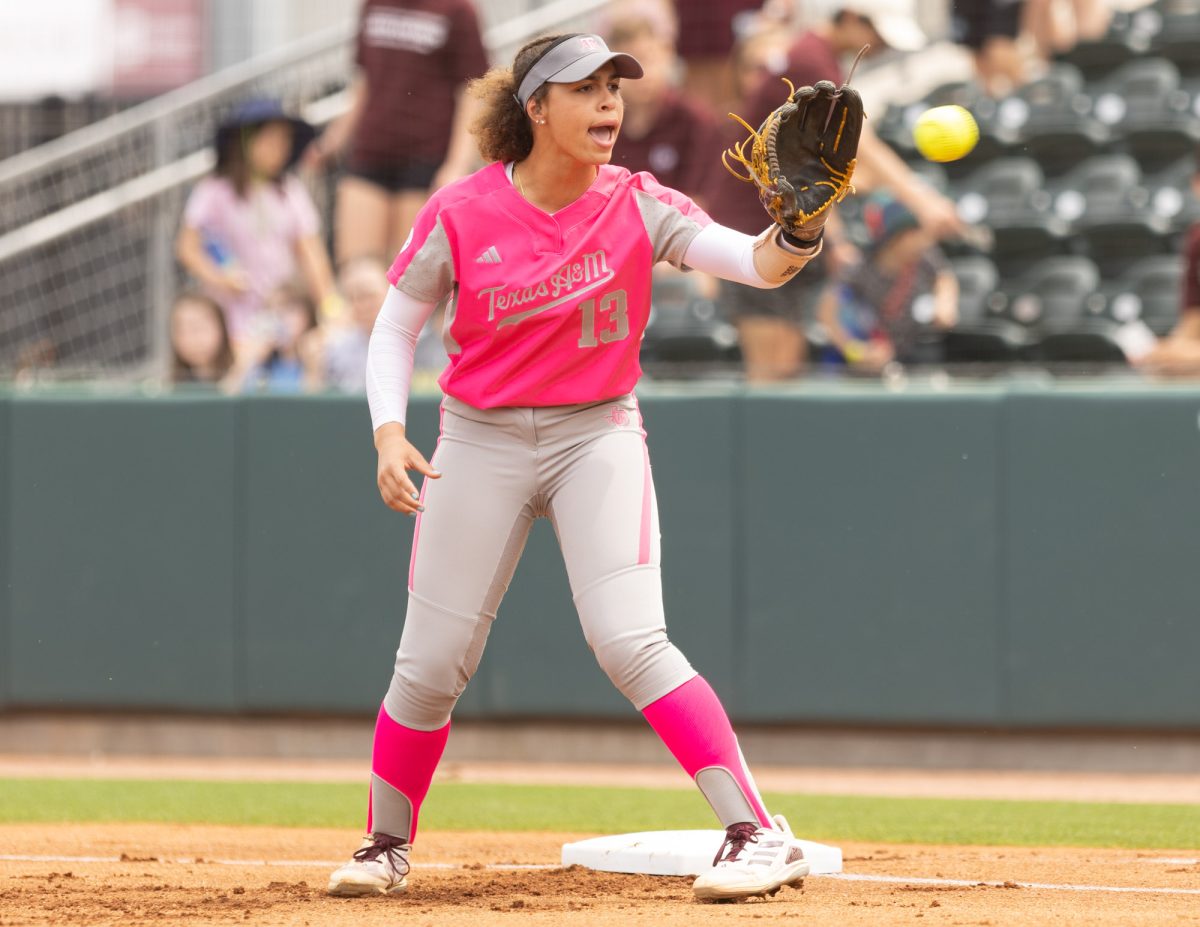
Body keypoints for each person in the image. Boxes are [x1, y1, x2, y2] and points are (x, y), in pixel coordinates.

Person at [325, 32, 846, 904]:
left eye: (616, 87)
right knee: (430, 662)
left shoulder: (639, 202)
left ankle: (756, 831)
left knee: (630, 639)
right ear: (536, 108)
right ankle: (384, 843)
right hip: (479, 437)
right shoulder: (461, 209)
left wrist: (799, 225)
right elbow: (394, 324)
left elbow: (755, 264)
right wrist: (387, 430)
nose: (609, 103)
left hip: (594, 433)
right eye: (586, 89)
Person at [710, 0, 965, 381]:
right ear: (847, 18)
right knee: (771, 368)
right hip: (749, 228)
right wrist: (922, 201)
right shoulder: (810, 61)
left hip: (775, 225)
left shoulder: (814, 57)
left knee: (786, 366)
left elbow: (826, 172)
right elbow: (862, 144)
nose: (879, 43)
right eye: (875, 31)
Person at [306, 0, 490, 266]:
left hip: (425, 157)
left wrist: (456, 166)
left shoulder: (458, 9)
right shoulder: (373, 4)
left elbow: (472, 91)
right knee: (357, 271)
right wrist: (332, 141)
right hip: (369, 151)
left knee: (407, 273)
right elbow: (365, 81)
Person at [175, 99, 339, 350]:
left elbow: (311, 253)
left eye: (284, 141)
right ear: (246, 142)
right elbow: (188, 248)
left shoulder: (290, 192)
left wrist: (330, 305)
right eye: (271, 140)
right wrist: (220, 279)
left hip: (279, 311)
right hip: (228, 314)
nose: (280, 148)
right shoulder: (214, 191)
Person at [817, 195, 959, 372]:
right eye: (916, 232)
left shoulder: (925, 258)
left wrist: (945, 303)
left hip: (916, 352)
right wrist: (854, 350)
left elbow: (944, 276)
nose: (925, 239)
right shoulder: (863, 268)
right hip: (875, 357)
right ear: (897, 237)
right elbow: (826, 311)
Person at [1135, 151, 1200, 376]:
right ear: (1196, 185)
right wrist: (1165, 351)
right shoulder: (1196, 239)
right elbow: (1193, 320)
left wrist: (1190, 356)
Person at [168, 291, 235, 386]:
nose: (193, 340)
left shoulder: (245, 376)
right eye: (183, 330)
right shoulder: (174, 387)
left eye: (199, 328)